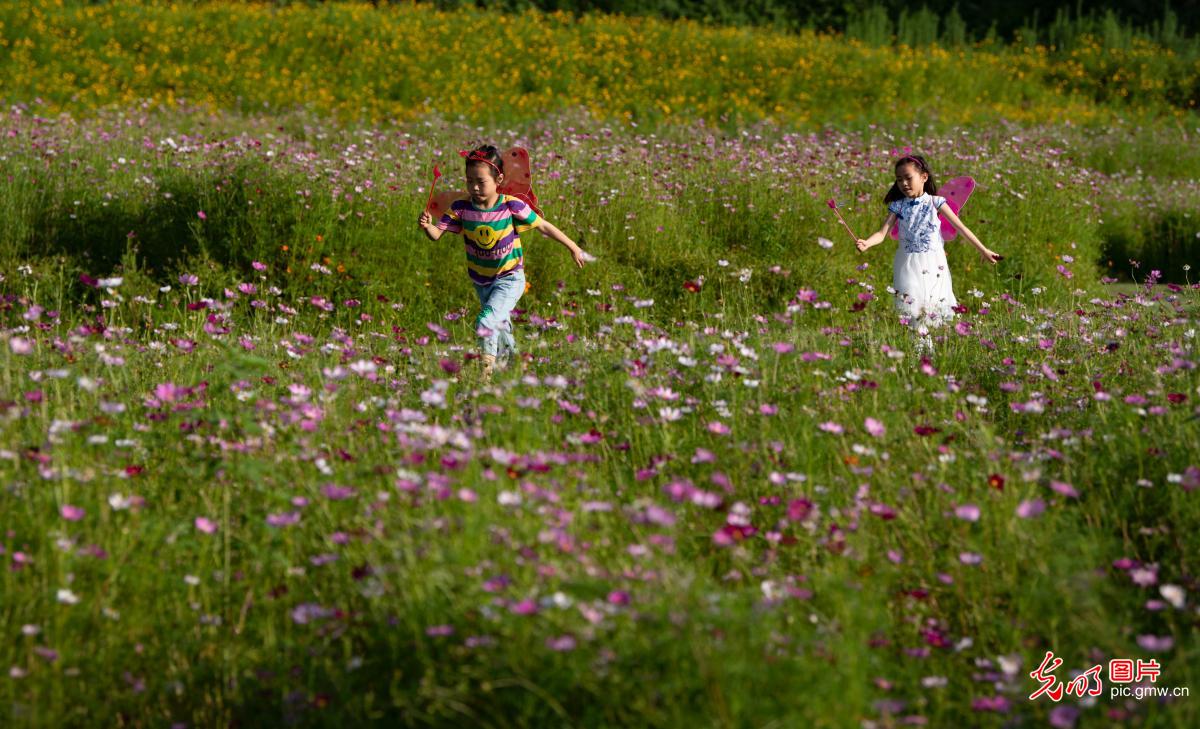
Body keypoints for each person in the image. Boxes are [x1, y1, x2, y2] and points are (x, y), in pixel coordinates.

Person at [418, 145, 587, 379]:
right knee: (501, 326)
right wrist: (428, 226)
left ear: (498, 179)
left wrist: (574, 247)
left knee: (486, 321)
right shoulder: (460, 208)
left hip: (510, 277)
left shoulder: (510, 205)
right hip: (482, 281)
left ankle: (484, 378)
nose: (474, 187)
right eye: (469, 181)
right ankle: (517, 369)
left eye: (480, 181)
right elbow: (437, 235)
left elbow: (543, 226)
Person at [856, 154, 1001, 340]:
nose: (904, 183)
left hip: (933, 265)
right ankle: (920, 352)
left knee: (932, 307)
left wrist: (983, 250)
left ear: (924, 177)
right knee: (913, 311)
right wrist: (867, 242)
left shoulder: (936, 202)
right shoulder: (898, 206)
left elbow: (961, 228)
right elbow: (881, 233)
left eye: (908, 178)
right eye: (899, 179)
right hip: (907, 264)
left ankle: (930, 350)